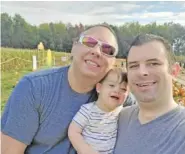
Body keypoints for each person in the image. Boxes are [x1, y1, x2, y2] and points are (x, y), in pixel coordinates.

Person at [1, 24, 136, 154]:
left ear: (113, 62)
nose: (96, 51)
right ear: (74, 47)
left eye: (107, 50)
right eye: (89, 42)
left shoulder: (118, 95)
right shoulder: (34, 88)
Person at [114, 34, 185, 154]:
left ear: (174, 70)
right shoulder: (120, 118)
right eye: (134, 65)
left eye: (153, 63)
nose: (142, 72)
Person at [68, 68, 129, 154]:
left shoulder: (121, 112)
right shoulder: (88, 110)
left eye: (123, 89)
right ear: (99, 88)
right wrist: (84, 149)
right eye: (111, 85)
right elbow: (73, 131)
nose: (117, 90)